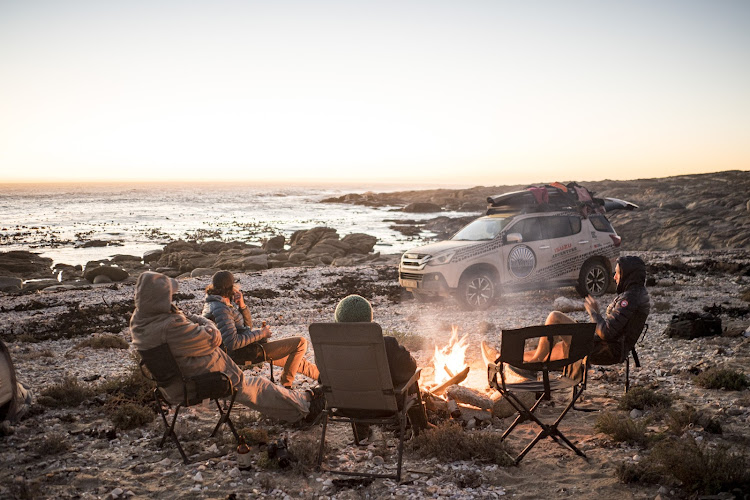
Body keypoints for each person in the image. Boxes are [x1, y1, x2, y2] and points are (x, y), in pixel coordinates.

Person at [130, 271, 323, 424]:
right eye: (168, 296)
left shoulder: (141, 323)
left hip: (177, 383)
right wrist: (197, 320)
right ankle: (304, 406)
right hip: (203, 382)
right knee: (258, 385)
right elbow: (215, 338)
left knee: (282, 361)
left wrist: (240, 306)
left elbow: (242, 328)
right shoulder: (171, 326)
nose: (172, 299)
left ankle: (320, 382)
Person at [482, 256, 651, 376]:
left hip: (607, 350)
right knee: (552, 350)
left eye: (617, 273)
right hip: (606, 346)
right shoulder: (635, 294)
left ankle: (517, 362)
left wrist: (594, 312)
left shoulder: (630, 299)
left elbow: (606, 332)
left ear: (628, 275)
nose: (614, 277)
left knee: (555, 317)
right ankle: (502, 357)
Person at [333, 294, 431, 443]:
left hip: (345, 406)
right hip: (385, 407)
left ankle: (362, 435)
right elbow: (409, 370)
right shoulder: (387, 345)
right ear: (369, 320)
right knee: (412, 383)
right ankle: (422, 433)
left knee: (357, 384)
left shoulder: (330, 348)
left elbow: (323, 379)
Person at [202, 271, 319, 390]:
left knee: (296, 361)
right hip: (246, 352)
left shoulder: (217, 304)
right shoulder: (221, 309)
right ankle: (286, 386)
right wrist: (261, 333)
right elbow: (233, 343)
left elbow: (247, 328)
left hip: (250, 348)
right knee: (300, 343)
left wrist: (242, 306)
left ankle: (324, 378)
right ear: (230, 287)